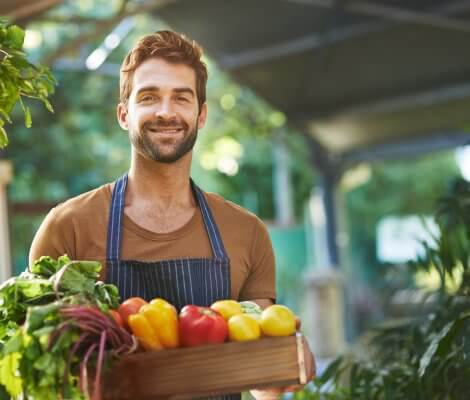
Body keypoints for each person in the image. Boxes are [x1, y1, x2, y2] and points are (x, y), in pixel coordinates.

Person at [29, 30, 315, 399]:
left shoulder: (245, 232)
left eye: (181, 98)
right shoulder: (67, 227)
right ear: (123, 114)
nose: (166, 111)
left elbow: (260, 381)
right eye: (149, 97)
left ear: (201, 114)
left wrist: (284, 365)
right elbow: (41, 376)